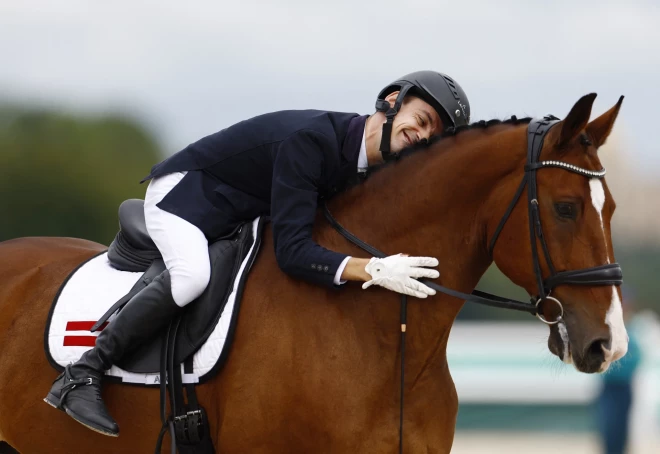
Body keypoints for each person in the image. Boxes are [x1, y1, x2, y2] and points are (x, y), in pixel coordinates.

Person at [44, 71, 472, 436]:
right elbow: (292, 252)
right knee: (192, 276)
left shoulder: (366, 166)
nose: (424, 135)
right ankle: (84, 371)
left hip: (238, 213)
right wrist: (372, 268)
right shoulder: (314, 142)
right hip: (185, 198)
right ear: (393, 102)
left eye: (435, 135)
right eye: (423, 119)